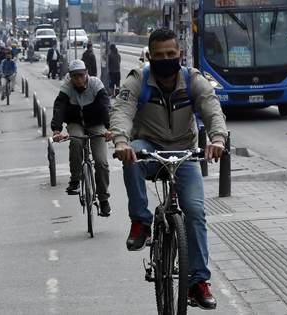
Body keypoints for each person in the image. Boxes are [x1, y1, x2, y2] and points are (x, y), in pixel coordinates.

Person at [110, 27, 227, 310]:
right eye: (159, 55)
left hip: (183, 151)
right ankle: (141, 222)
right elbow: (122, 110)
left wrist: (218, 139)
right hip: (148, 146)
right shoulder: (139, 79)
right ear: (150, 56)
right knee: (131, 158)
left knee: (196, 213)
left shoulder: (192, 79)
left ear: (180, 54)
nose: (166, 58)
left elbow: (212, 109)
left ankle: (197, 282)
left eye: (171, 54)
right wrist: (121, 141)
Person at [51, 60, 112, 216]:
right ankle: (75, 180)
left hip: (96, 123)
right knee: (76, 140)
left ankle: (103, 199)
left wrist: (110, 127)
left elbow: (105, 106)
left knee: (101, 161)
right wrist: (56, 130)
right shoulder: (67, 87)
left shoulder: (96, 84)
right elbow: (60, 107)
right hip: (75, 122)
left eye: (82, 75)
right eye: (75, 76)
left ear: (87, 73)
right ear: (70, 77)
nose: (79, 79)